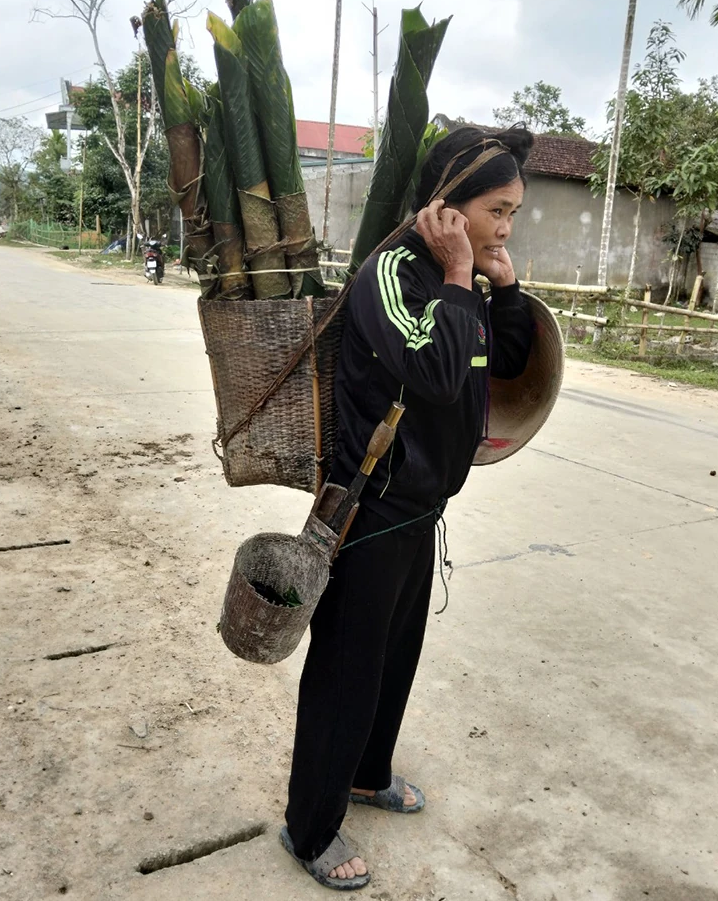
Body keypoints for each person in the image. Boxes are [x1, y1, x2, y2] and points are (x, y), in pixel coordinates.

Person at [281, 125, 536, 890]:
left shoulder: (463, 282)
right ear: (447, 206)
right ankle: (309, 827)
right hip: (372, 509)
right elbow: (433, 374)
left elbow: (509, 363)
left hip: (421, 506)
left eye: (514, 213)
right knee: (346, 670)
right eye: (496, 210)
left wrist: (504, 283)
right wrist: (462, 275)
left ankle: (365, 775)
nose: (504, 225)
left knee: (394, 659)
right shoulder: (391, 273)